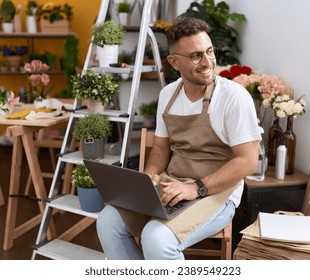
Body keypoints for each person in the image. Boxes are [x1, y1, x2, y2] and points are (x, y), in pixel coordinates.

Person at [96, 17, 261, 260]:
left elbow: (248, 161)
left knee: (156, 238)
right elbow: (161, 148)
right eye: (195, 56)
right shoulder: (168, 94)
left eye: (209, 51)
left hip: (217, 194)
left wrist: (196, 188)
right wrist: (149, 177)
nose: (207, 62)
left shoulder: (233, 97)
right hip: (171, 185)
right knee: (107, 222)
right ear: (174, 62)